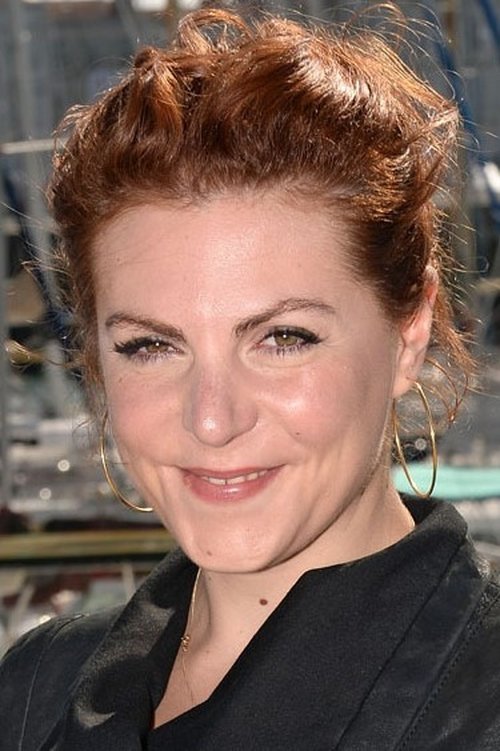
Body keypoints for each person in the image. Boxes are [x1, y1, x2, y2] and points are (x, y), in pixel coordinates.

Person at [1, 6, 499, 750]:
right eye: (150, 346)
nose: (212, 419)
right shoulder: (35, 687)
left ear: (409, 333)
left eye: (282, 338)